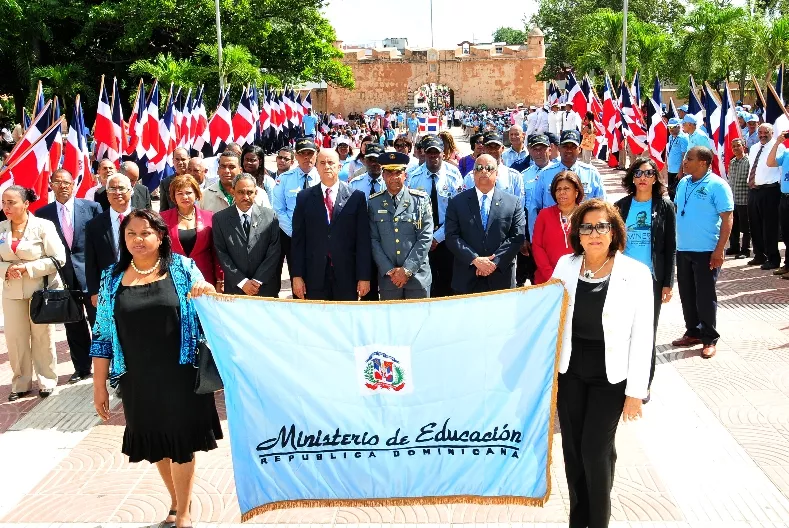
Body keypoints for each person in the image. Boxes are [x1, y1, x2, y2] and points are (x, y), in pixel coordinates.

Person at [90, 209, 220, 528]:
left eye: (146, 232)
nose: (138, 239)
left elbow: (211, 303)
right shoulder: (111, 277)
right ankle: (175, 503)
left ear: (160, 236)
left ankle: (184, 516)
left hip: (181, 373)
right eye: (131, 233)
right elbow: (103, 334)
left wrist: (209, 292)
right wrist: (98, 386)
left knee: (181, 442)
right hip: (137, 378)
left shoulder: (183, 268)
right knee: (156, 441)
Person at [551, 199, 653, 528]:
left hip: (610, 377)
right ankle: (578, 521)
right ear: (577, 234)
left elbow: (643, 336)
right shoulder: (565, 267)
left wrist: (636, 391)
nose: (594, 233)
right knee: (574, 453)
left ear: (613, 232)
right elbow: (547, 319)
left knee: (595, 450)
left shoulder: (636, 274)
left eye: (602, 226)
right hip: (571, 372)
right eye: (587, 227)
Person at [614, 158, 676, 397]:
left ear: (655, 178)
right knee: (622, 330)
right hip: (624, 279)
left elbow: (670, 246)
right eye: (638, 173)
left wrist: (668, 282)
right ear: (632, 177)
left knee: (646, 331)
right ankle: (622, 378)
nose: (643, 178)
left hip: (651, 280)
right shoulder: (621, 206)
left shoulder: (664, 206)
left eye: (648, 173)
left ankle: (643, 383)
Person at [36, 169, 103, 383]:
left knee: (99, 323)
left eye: (67, 182)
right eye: (58, 182)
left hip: (91, 276)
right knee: (73, 325)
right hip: (63, 279)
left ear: (74, 184)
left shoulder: (91, 207)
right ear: (51, 185)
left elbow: (101, 244)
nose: (63, 186)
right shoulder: (43, 214)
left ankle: (107, 365)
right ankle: (82, 367)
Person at [1, 186, 66, 401]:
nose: (6, 207)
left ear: (26, 204)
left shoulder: (43, 226)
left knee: (42, 336)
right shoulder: (1, 229)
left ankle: (47, 380)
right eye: (4, 202)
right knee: (15, 338)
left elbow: (58, 258)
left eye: (12, 202)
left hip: (40, 291)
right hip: (12, 292)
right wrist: (6, 270)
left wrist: (27, 268)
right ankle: (21, 383)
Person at [671, 146, 733, 359]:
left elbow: (727, 219)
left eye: (689, 158)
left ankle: (709, 338)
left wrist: (720, 250)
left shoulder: (718, 185)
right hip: (683, 248)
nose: (685, 162)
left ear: (704, 163)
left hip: (707, 250)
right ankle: (693, 332)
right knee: (687, 294)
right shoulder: (683, 182)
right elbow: (679, 211)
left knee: (705, 296)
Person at [291, 149, 371, 300]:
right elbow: (298, 241)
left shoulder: (356, 197)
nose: (326, 166)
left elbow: (363, 241)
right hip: (314, 275)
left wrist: (364, 276)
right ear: (316, 166)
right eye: (322, 163)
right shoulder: (304, 198)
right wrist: (297, 276)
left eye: (331, 163)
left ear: (339, 167)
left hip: (347, 275)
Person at [444, 154, 525, 294]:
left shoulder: (513, 202)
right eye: (479, 168)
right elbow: (451, 236)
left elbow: (517, 237)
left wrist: (494, 263)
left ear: (497, 173)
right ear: (473, 173)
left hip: (501, 278)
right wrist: (475, 259)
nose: (484, 171)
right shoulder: (457, 202)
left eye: (489, 168)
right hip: (467, 278)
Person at [368, 152, 433, 299]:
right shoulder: (374, 202)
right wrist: (390, 270)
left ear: (405, 175)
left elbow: (425, 237)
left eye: (398, 172)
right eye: (389, 173)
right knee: (392, 321)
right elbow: (373, 240)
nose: (394, 177)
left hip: (417, 278)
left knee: (419, 321)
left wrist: (407, 269)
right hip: (389, 279)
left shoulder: (420, 200)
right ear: (383, 176)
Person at [406, 135, 464, 297]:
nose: (433, 156)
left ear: (443, 153)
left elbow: (457, 211)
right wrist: (426, 237)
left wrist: (437, 237)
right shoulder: (412, 176)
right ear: (423, 153)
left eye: (436, 152)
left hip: (447, 237)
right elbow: (408, 209)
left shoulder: (454, 175)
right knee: (424, 283)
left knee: (447, 282)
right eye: (429, 152)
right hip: (420, 238)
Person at [213, 174, 281, 297]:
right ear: (233, 192)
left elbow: (274, 252)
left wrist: (257, 281)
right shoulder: (219, 219)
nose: (245, 197)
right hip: (236, 288)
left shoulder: (270, 216)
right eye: (241, 192)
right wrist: (242, 282)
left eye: (250, 192)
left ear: (256, 192)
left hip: (265, 287)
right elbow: (221, 253)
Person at [529, 129, 606, 238]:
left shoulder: (591, 174)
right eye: (565, 146)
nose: (569, 150)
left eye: (573, 147)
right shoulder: (545, 174)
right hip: (553, 234)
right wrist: (535, 238)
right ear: (559, 148)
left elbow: (603, 207)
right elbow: (534, 207)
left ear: (579, 149)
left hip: (585, 233)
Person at [160, 175, 223, 289]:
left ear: (196, 194)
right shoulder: (162, 218)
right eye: (179, 193)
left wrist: (220, 279)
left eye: (189, 192)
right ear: (174, 196)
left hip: (204, 279)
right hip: (172, 277)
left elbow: (216, 252)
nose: (185, 197)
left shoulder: (209, 217)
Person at [85, 174, 135, 307]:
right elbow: (91, 262)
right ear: (107, 194)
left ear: (131, 191)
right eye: (112, 189)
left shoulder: (144, 218)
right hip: (109, 287)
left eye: (121, 188)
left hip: (140, 281)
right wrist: (94, 292)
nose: (117, 192)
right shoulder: (93, 225)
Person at [532, 171, 584, 284]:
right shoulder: (544, 214)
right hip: (547, 279)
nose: (562, 193)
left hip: (579, 278)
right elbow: (537, 246)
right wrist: (551, 276)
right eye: (558, 189)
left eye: (566, 189)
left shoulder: (585, 215)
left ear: (576, 191)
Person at [746, 123, 782, 271]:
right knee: (755, 225)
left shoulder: (778, 148)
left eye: (765, 132)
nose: (762, 135)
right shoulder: (754, 148)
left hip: (770, 191)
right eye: (760, 132)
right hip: (754, 190)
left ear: (772, 133)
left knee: (769, 227)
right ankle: (759, 254)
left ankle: (773, 258)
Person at [463, 131, 524, 206]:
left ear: (502, 149)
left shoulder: (514, 177)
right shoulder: (470, 177)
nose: (492, 150)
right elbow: (464, 205)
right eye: (489, 147)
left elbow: (519, 205)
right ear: (484, 148)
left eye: (496, 147)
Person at [201, 150, 270, 213]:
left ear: (240, 170)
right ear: (218, 170)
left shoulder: (258, 194)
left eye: (231, 167)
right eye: (223, 166)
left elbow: (268, 220)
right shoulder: (205, 196)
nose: (227, 171)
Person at [766, 126, 789, 278]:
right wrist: (777, 143)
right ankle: (787, 265)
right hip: (784, 196)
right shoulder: (786, 152)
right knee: (786, 233)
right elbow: (770, 162)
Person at [726, 138, 751, 259]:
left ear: (744, 146)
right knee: (733, 225)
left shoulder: (749, 161)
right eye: (733, 146)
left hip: (744, 199)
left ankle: (745, 250)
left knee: (746, 227)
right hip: (733, 199)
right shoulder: (732, 162)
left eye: (738, 146)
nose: (735, 148)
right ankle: (734, 247)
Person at [158, 147, 191, 212]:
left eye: (183, 159)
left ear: (189, 159)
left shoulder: (195, 179)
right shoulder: (165, 183)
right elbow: (163, 209)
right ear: (173, 161)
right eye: (177, 159)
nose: (180, 162)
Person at [666, 118, 688, 200]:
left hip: (678, 171)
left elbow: (684, 155)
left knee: (677, 194)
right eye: (669, 127)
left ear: (678, 127)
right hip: (671, 169)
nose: (670, 129)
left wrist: (680, 171)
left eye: (673, 127)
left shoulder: (683, 138)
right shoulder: (670, 137)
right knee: (670, 192)